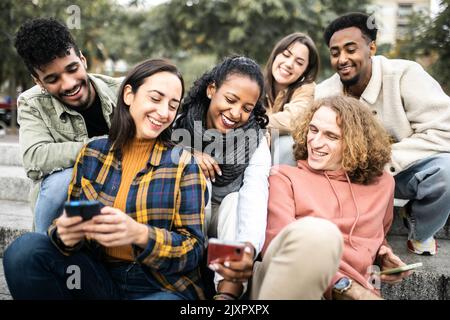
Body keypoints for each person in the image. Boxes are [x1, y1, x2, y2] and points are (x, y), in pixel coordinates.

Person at [3, 59, 208, 300]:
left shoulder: (184, 164)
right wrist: (64, 234)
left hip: (158, 285)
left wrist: (139, 234)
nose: (164, 113)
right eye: (155, 99)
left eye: (173, 106)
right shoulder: (93, 154)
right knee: (23, 251)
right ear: (129, 95)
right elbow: (69, 230)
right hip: (97, 278)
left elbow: (193, 250)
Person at [315, 12, 450, 255]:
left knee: (447, 171)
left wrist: (383, 159)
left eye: (350, 49)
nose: (342, 59)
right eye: (335, 53)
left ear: (372, 48)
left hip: (405, 173)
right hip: (348, 178)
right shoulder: (325, 92)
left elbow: (444, 130)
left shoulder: (406, 74)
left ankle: (420, 231)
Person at [251, 96, 412, 300]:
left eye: (331, 136)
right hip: (299, 286)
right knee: (320, 234)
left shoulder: (383, 184)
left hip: (362, 291)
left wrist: (383, 255)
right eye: (313, 130)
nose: (315, 142)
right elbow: (277, 245)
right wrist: (344, 286)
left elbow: (377, 233)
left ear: (356, 144)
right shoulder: (284, 177)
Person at [174, 56, 271, 300]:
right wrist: (189, 153)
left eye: (247, 108)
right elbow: (158, 149)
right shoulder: (181, 123)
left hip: (227, 221)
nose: (236, 113)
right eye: (230, 100)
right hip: (188, 218)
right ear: (211, 90)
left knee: (235, 201)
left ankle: (228, 290)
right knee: (198, 177)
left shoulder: (255, 140)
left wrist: (249, 246)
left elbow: (255, 193)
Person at [14, 18, 122, 233]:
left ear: (83, 60)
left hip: (123, 189)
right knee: (60, 180)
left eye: (72, 69)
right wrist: (102, 146)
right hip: (67, 203)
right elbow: (35, 157)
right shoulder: (31, 103)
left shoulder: (122, 91)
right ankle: (47, 250)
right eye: (53, 79)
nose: (69, 84)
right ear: (39, 82)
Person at [263, 33, 319, 165]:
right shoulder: (256, 83)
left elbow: (292, 120)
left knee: (286, 144)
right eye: (286, 55)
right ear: (276, 54)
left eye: (299, 62)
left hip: (283, 159)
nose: (289, 64)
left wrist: (254, 125)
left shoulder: (308, 89)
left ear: (305, 70)